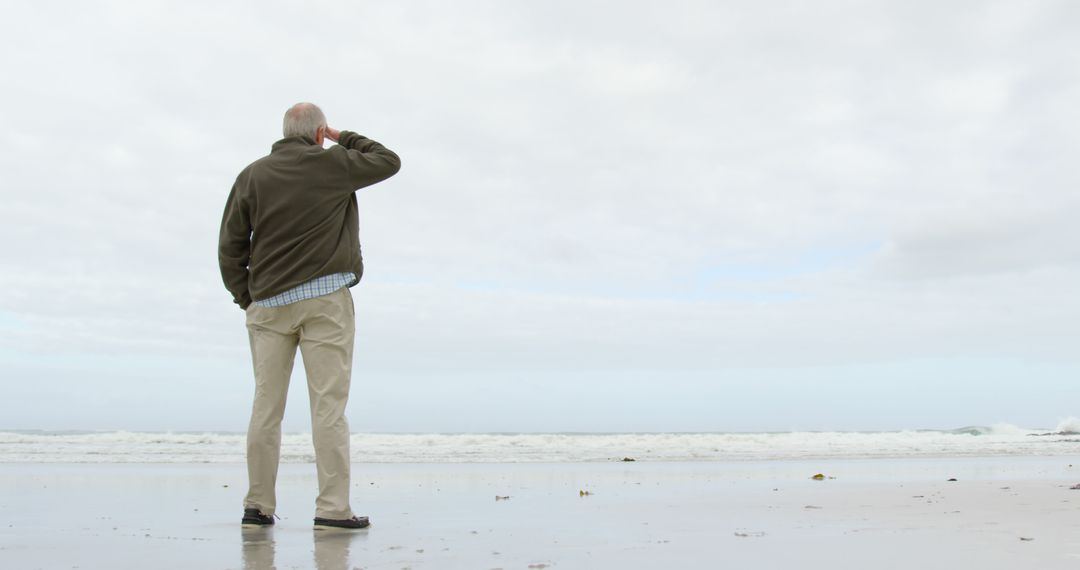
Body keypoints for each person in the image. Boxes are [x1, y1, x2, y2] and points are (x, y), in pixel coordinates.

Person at [218, 102, 401, 530]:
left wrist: (246, 296)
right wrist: (343, 137)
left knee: (266, 408)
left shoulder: (252, 175)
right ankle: (333, 510)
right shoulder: (334, 164)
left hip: (267, 306)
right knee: (328, 409)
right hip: (325, 304)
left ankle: (257, 507)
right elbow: (388, 161)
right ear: (318, 134)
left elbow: (230, 244)